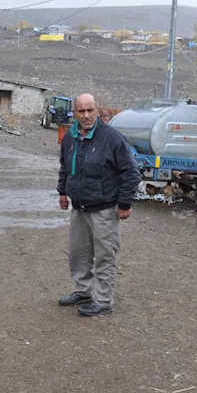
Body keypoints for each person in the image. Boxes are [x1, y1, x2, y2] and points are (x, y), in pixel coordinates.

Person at [57, 94, 140, 316]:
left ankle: (103, 301)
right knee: (78, 254)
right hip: (79, 208)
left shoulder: (112, 139)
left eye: (90, 110)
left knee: (105, 256)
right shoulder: (70, 137)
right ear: (74, 112)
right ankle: (83, 291)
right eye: (81, 111)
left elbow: (131, 173)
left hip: (104, 209)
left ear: (97, 110)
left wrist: (125, 203)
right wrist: (63, 191)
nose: (86, 116)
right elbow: (65, 166)